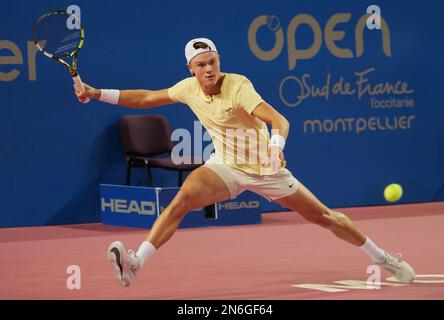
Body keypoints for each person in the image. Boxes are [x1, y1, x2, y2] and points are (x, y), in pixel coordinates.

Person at [74, 38, 415, 287]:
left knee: (325, 217)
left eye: (213, 62)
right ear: (190, 69)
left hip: (268, 170)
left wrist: (276, 146)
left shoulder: (238, 86)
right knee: (182, 200)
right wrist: (97, 92)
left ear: (219, 61)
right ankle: (136, 263)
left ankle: (383, 259)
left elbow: (279, 120)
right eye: (201, 64)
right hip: (226, 166)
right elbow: (148, 98)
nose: (208, 69)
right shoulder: (188, 88)